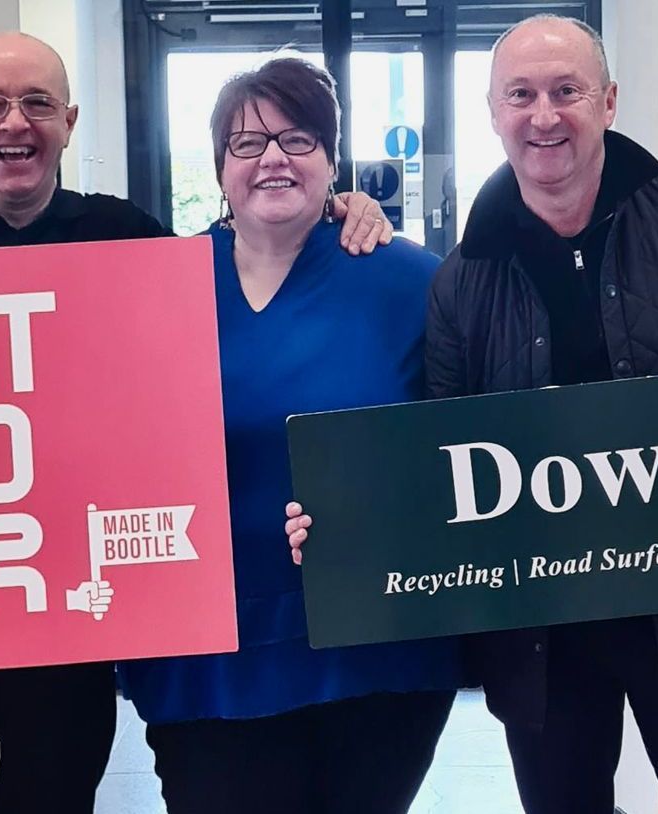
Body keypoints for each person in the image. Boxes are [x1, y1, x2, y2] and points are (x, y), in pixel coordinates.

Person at [288, 14, 658, 814]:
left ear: (610, 101)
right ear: (493, 112)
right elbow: (437, 463)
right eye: (520, 95)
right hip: (542, 636)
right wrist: (342, 523)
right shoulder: (462, 280)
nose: (544, 115)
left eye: (567, 91)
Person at [0, 32, 395, 814]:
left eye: (37, 103)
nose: (14, 122)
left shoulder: (129, 241)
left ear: (71, 120)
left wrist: (339, 205)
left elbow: (255, 235)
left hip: (67, 625)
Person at [115, 58, 461, 814]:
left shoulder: (410, 281)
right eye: (246, 143)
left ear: (331, 162)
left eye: (297, 139)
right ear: (218, 169)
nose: (272, 157)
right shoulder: (153, 288)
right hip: (207, 657)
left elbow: (468, 445)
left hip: (376, 653)